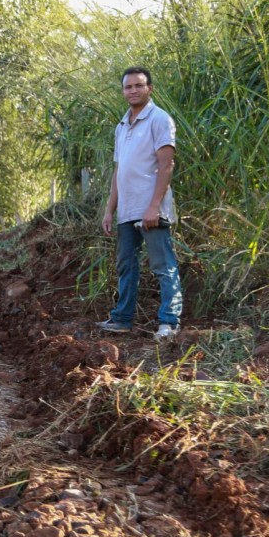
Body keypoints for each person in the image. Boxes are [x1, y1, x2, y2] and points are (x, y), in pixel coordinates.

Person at [99, 66, 182, 341]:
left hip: (151, 210)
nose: (133, 90)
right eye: (128, 87)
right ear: (123, 91)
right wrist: (110, 210)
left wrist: (154, 206)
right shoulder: (121, 126)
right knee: (126, 265)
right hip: (127, 209)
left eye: (139, 85)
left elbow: (166, 165)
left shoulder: (160, 119)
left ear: (150, 88)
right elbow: (119, 171)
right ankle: (122, 319)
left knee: (162, 265)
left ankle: (169, 323)